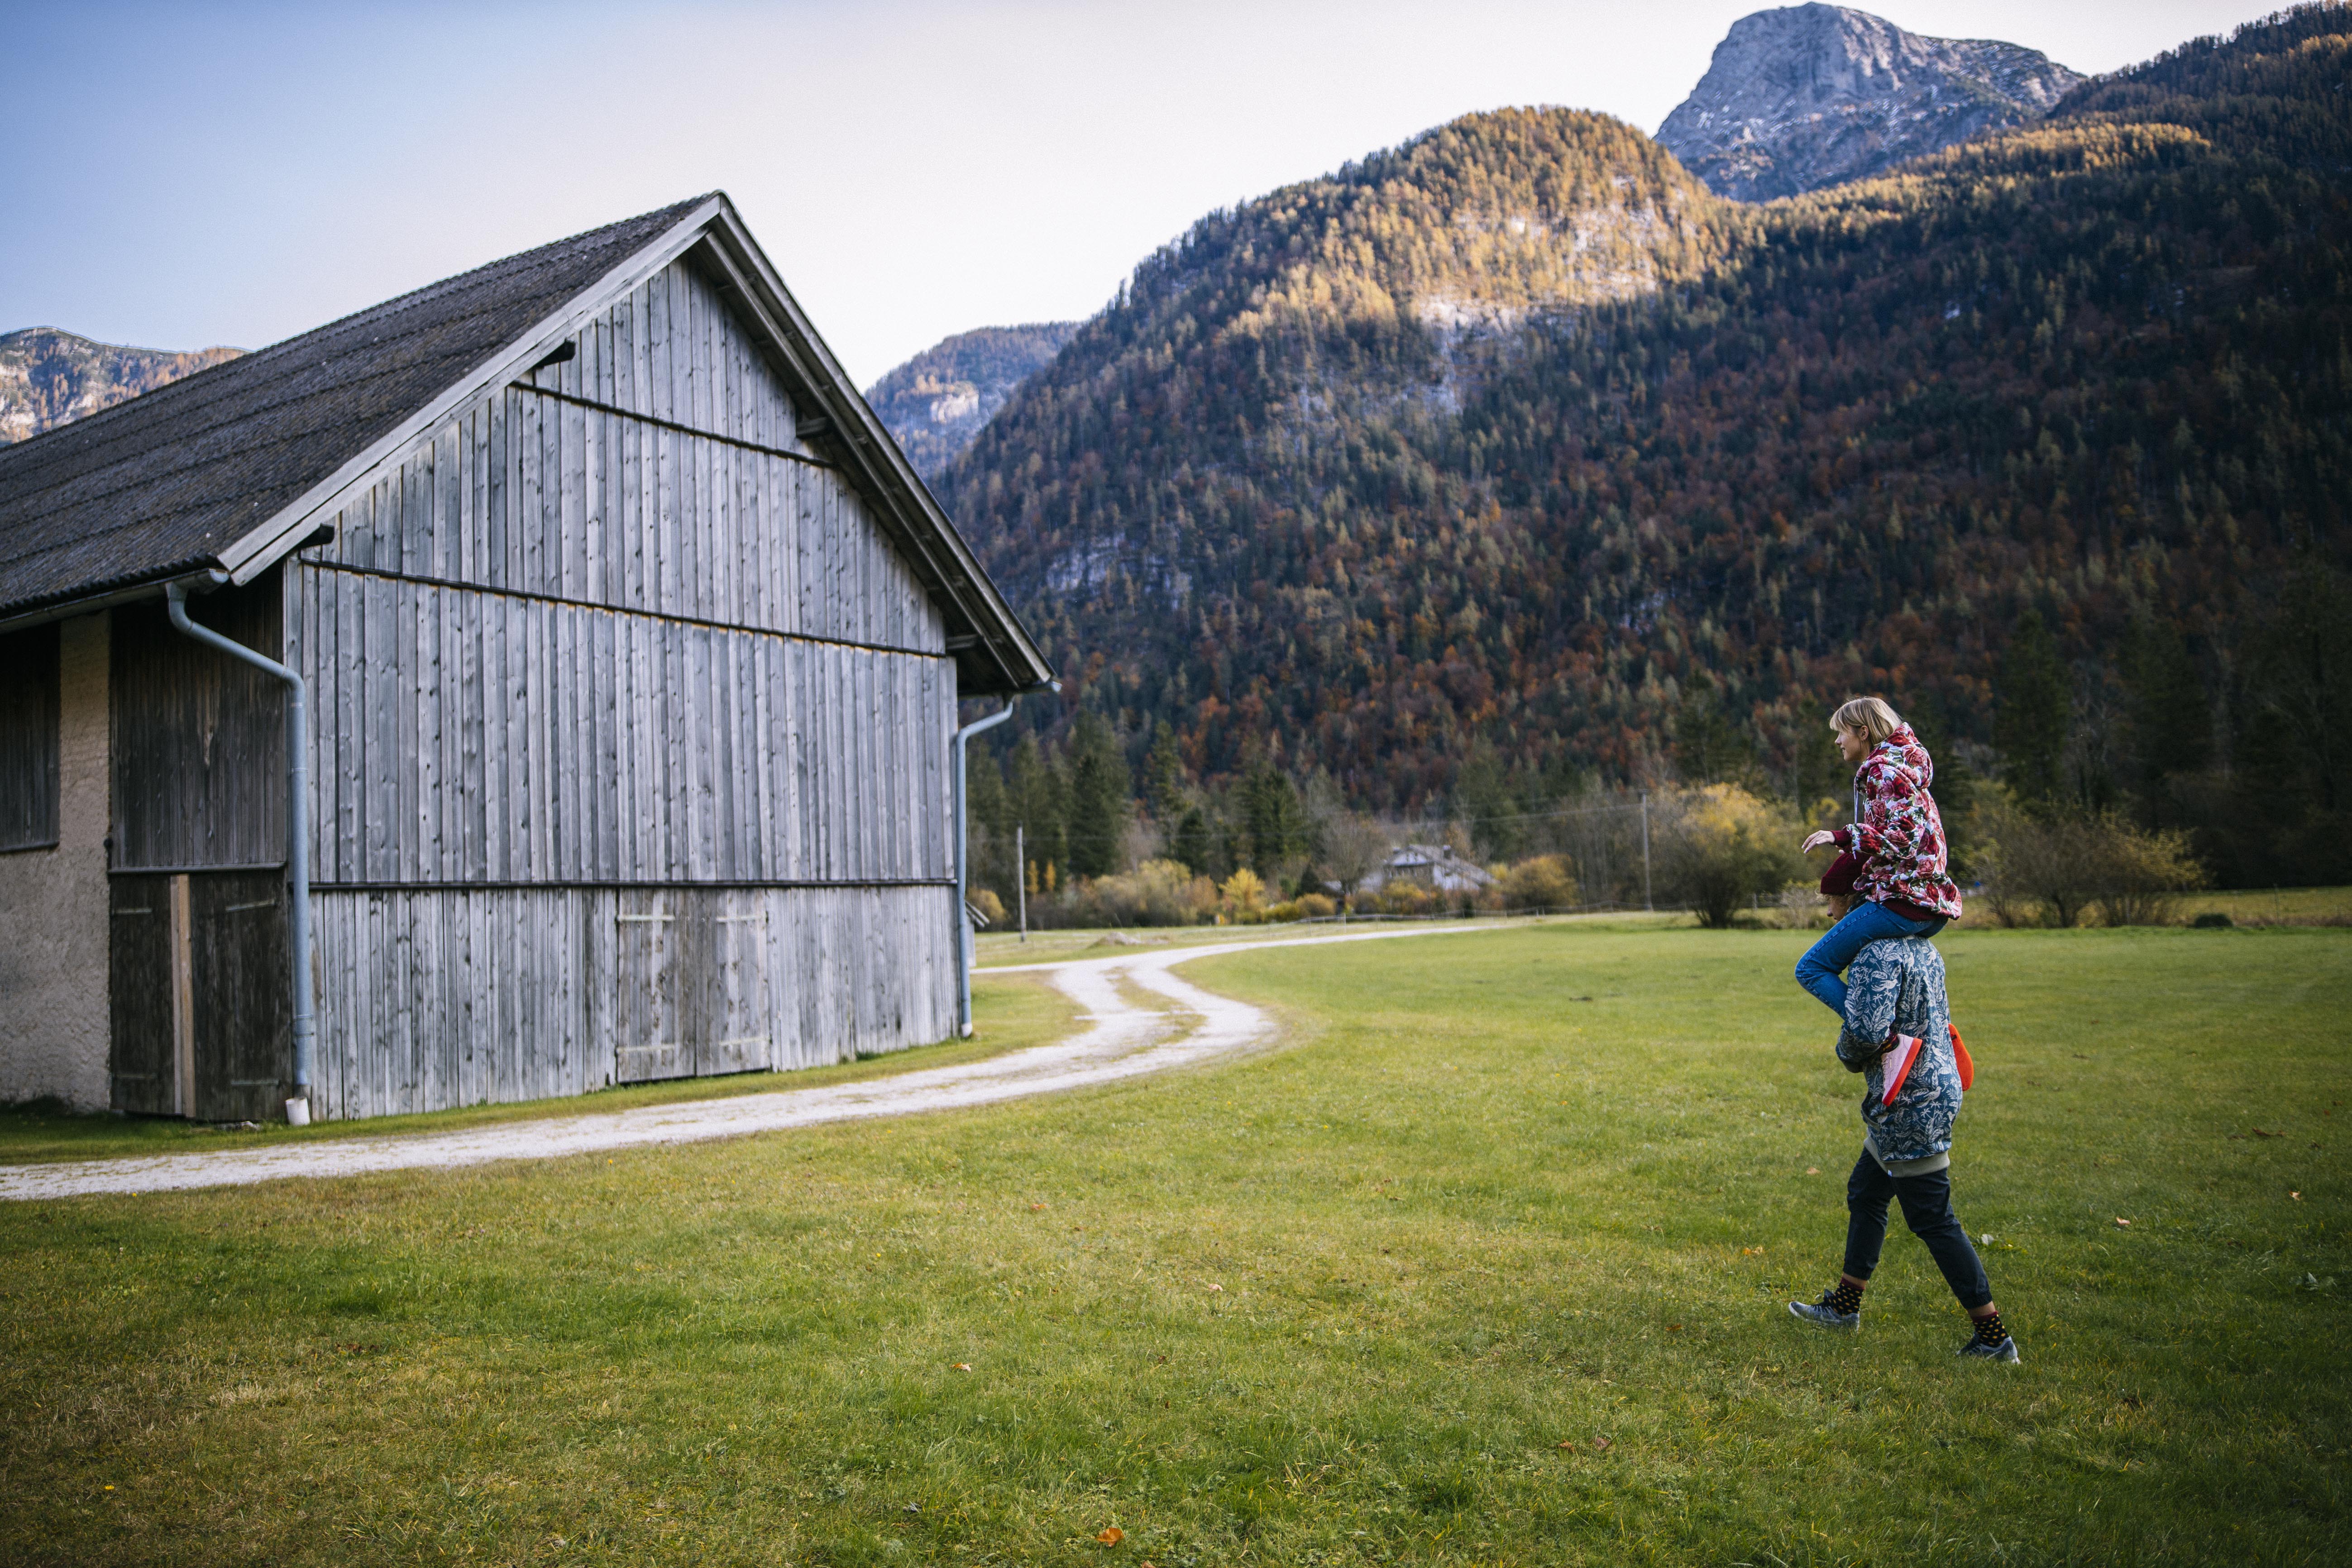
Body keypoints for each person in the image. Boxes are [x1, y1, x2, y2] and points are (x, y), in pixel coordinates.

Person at [1788, 932, 2017, 1360]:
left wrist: (1846, 1054)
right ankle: (1844, 1307)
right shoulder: (1921, 946)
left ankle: (1993, 1337)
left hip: (1911, 1100)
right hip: (1925, 1086)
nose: (1828, 909)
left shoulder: (1875, 952)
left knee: (1933, 1218)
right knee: (1867, 1192)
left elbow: (1866, 1031)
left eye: (1832, 896)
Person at [1794, 697, 1961, 1015]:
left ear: (1863, 732)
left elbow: (1904, 839)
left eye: (1841, 732)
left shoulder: (1884, 773)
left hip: (1904, 902)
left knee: (1812, 969)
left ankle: (1875, 1037)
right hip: (1930, 902)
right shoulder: (1903, 768)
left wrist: (1842, 835)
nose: (1837, 741)